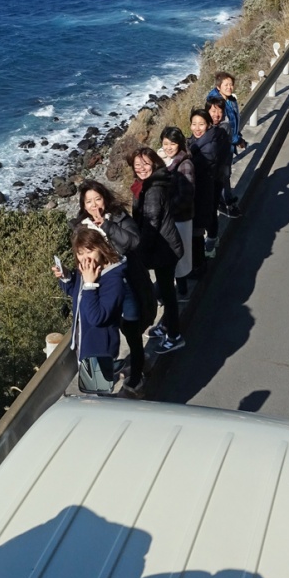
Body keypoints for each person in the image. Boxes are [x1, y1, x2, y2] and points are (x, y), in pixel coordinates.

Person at [74, 180, 156, 396]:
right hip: (101, 288)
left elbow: (134, 242)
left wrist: (107, 226)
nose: (94, 205)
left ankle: (137, 374)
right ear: (83, 205)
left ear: (105, 199)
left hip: (126, 285)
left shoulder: (118, 217)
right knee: (108, 330)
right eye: (88, 201)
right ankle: (115, 365)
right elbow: (80, 257)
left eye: (97, 199)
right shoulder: (81, 226)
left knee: (132, 331)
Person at [52, 226, 126, 389]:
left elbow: (96, 317)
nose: (85, 258)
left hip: (100, 349)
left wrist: (90, 284)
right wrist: (66, 277)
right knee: (93, 389)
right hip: (84, 343)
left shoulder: (114, 281)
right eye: (80, 253)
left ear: (101, 248)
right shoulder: (87, 271)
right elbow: (78, 295)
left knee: (98, 394)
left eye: (89, 251)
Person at [128, 146, 185, 355]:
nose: (141, 168)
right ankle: (167, 325)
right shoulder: (151, 183)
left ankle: (175, 335)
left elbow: (151, 223)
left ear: (154, 163)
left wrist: (139, 253)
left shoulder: (152, 190)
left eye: (145, 163)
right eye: (137, 165)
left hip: (164, 249)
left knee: (168, 292)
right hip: (165, 246)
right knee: (164, 287)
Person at [187, 107, 226, 273]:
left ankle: (199, 268)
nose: (197, 128)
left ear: (208, 125)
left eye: (201, 124)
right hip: (203, 195)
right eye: (194, 124)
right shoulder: (196, 142)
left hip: (202, 197)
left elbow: (196, 171)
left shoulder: (208, 148)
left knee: (196, 235)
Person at [158, 126, 194, 297]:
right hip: (173, 217)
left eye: (172, 143)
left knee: (179, 255)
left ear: (179, 143)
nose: (168, 147)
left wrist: (166, 209)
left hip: (180, 218)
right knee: (176, 254)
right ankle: (179, 289)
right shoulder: (169, 161)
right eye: (165, 144)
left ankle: (182, 291)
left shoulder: (184, 164)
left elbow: (186, 196)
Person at [205, 95, 239, 216]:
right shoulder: (203, 126)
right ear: (207, 111)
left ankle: (226, 204)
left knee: (224, 180)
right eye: (213, 111)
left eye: (220, 111)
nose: (217, 114)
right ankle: (224, 203)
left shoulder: (225, 127)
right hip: (210, 167)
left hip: (222, 163)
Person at [207, 71, 247, 154]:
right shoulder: (215, 103)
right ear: (218, 87)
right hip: (220, 144)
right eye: (226, 85)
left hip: (230, 142)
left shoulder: (231, 100)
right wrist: (238, 140)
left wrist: (237, 136)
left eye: (231, 84)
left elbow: (233, 122)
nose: (229, 87)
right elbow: (222, 127)